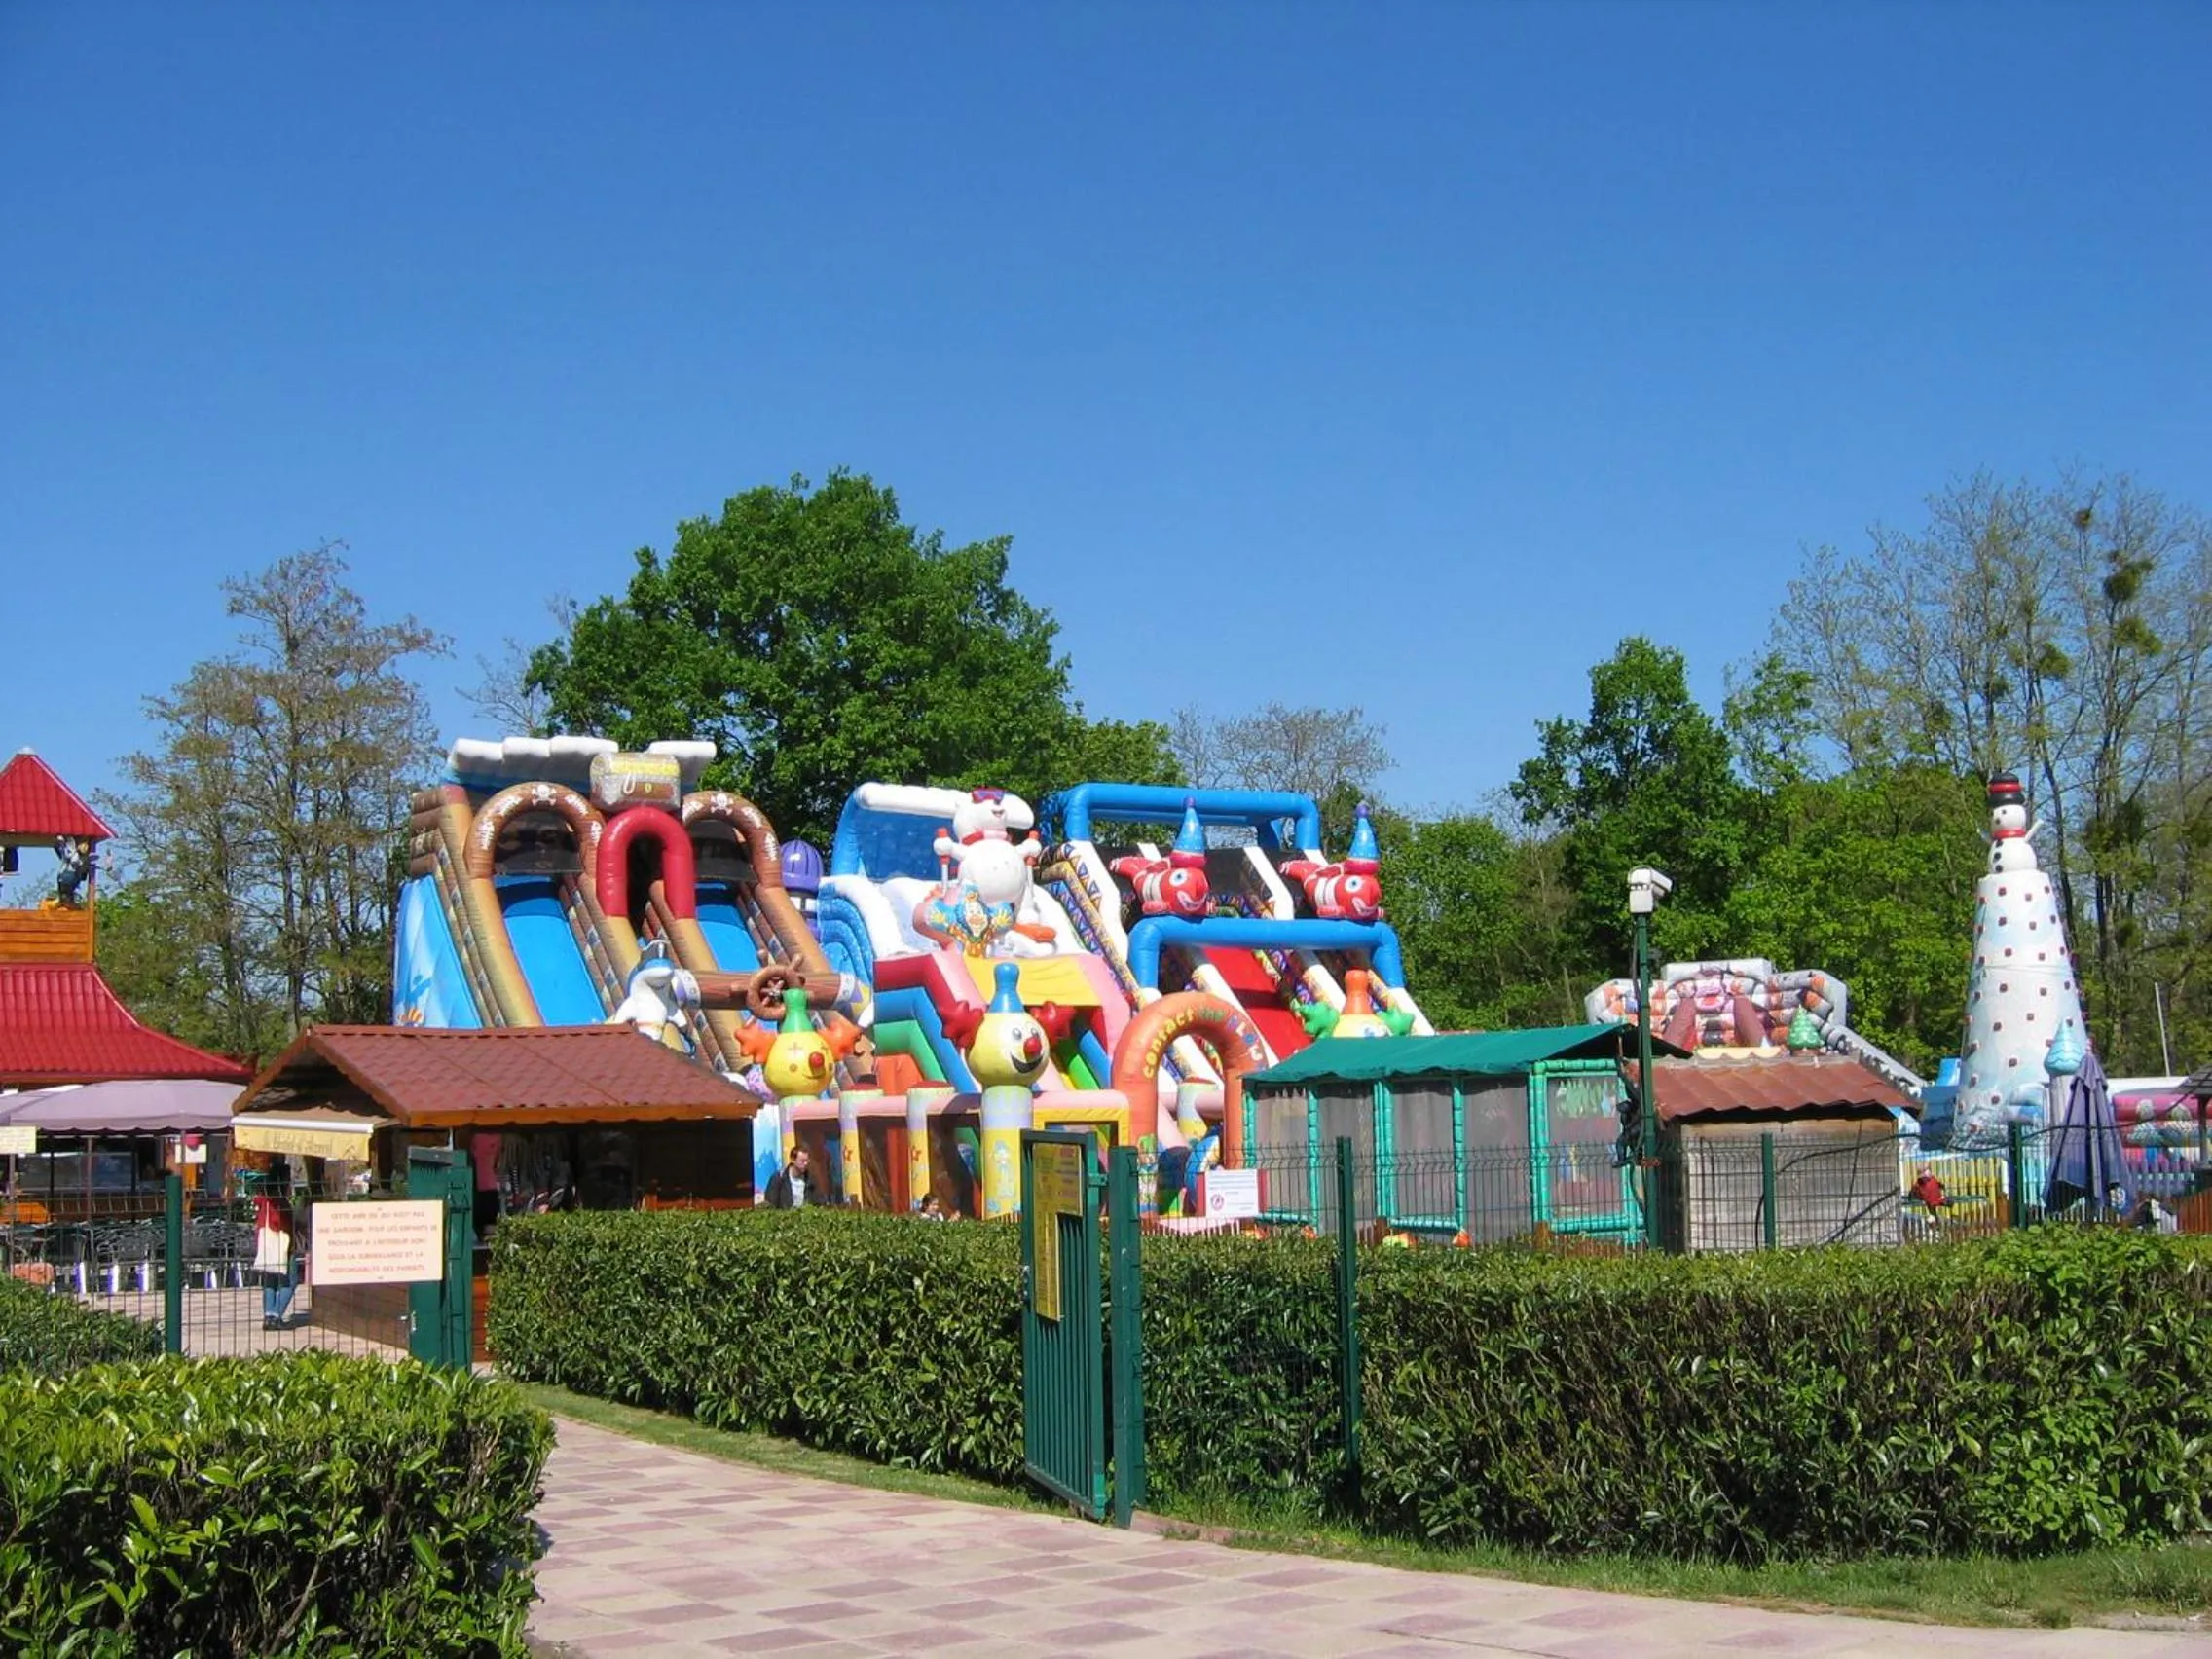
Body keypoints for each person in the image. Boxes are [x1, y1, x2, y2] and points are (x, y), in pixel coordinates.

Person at [248, 1169, 300, 1331]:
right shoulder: (281, 1203)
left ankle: (268, 1315)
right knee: (290, 1281)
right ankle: (276, 1315)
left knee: (270, 1281)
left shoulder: (263, 1202)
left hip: (266, 1248)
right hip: (282, 1247)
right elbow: (282, 1225)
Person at [762, 1145, 812, 1209]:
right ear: (793, 1160)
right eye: (802, 1161)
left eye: (807, 1161)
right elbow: (770, 1204)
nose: (805, 1164)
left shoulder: (810, 1179)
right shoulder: (779, 1178)